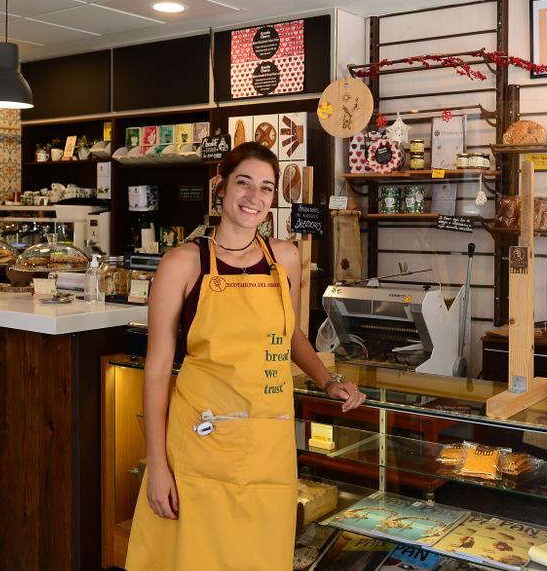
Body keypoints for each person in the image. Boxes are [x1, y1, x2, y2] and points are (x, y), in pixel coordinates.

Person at [126, 142, 367, 570]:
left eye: (267, 188)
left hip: (267, 447)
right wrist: (157, 466)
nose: (254, 197)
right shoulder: (182, 263)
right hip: (199, 447)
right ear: (220, 186)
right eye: (244, 182)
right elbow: (158, 368)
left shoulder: (286, 258)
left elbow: (291, 334)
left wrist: (327, 381)